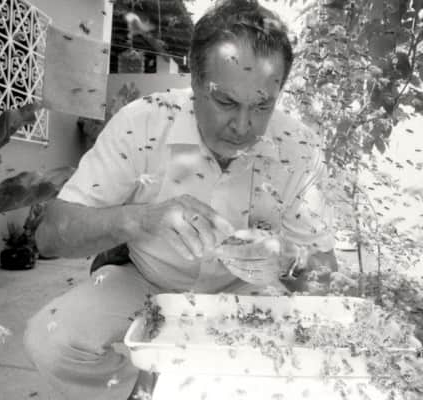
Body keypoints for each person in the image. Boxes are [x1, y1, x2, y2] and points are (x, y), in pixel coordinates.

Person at [24, 0, 338, 398]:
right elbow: (49, 235)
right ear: (195, 81)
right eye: (226, 102)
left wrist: (289, 260)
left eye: (262, 106)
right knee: (51, 339)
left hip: (247, 292)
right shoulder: (142, 122)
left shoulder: (300, 148)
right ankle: (142, 391)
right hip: (145, 282)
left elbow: (325, 274)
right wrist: (139, 220)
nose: (243, 126)